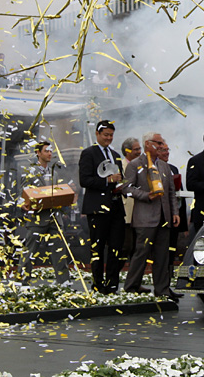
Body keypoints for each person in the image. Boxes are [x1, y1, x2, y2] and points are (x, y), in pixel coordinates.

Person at [122, 132, 181, 300]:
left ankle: (162, 289)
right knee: (141, 253)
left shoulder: (164, 166)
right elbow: (127, 188)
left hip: (164, 217)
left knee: (162, 254)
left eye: (163, 143)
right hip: (145, 217)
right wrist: (146, 196)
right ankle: (132, 286)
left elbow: (171, 192)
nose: (162, 146)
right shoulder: (135, 164)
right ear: (148, 144)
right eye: (159, 143)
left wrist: (175, 213)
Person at [78, 120, 126, 294]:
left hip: (116, 206)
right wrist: (107, 180)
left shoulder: (115, 154)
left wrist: (122, 184)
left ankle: (113, 283)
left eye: (111, 135)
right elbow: (84, 180)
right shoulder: (88, 153)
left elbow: (120, 178)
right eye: (105, 135)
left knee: (116, 246)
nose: (108, 138)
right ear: (98, 135)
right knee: (98, 247)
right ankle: (98, 283)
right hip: (97, 208)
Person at [18, 140, 70, 283]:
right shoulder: (30, 171)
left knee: (59, 249)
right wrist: (23, 203)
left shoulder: (54, 172)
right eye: (46, 151)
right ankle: (23, 280)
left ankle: (63, 281)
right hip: (37, 217)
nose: (49, 153)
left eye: (50, 151)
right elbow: (23, 193)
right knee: (30, 249)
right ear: (38, 153)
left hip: (54, 216)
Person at [120, 137, 142, 263]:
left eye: (140, 149)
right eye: (136, 149)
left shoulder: (143, 166)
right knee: (126, 246)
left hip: (141, 213)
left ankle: (134, 279)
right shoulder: (121, 166)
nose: (139, 152)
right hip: (127, 213)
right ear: (127, 151)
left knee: (138, 247)